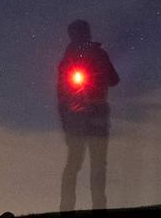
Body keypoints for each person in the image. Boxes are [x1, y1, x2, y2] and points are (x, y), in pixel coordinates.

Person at [57, 19, 120, 212]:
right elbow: (114, 80)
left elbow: (113, 79)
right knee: (94, 165)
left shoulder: (74, 57)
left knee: (79, 165)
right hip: (89, 117)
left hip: (82, 119)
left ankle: (69, 209)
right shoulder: (93, 54)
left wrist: (66, 123)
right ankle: (93, 208)